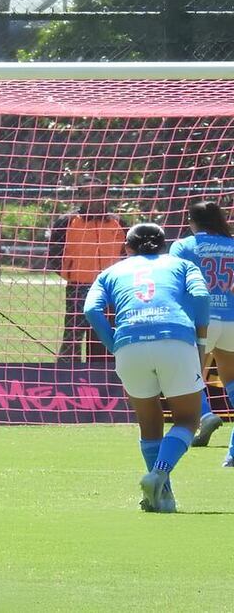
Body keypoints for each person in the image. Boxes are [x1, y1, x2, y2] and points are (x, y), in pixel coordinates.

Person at [84, 223, 210, 513]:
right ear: (164, 245)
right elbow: (201, 295)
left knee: (149, 423)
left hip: (129, 344)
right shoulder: (181, 264)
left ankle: (162, 496)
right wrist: (201, 340)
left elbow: (90, 309)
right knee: (188, 420)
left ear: (127, 248)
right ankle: (159, 474)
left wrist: (114, 343)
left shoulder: (110, 271)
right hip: (175, 340)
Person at [168, 200, 234, 461]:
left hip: (201, 322)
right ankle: (232, 454)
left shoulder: (183, 246)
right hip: (231, 318)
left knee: (188, 377)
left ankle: (205, 415)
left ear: (191, 221)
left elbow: (173, 281)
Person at [47, 174, 127, 362]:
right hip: (78, 287)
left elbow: (127, 255)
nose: (93, 197)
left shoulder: (119, 223)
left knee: (104, 338)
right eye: (86, 193)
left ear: (104, 195)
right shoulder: (66, 222)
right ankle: (66, 380)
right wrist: (70, 272)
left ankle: (101, 382)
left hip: (110, 290)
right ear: (80, 196)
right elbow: (54, 254)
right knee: (72, 338)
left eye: (97, 192)